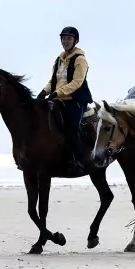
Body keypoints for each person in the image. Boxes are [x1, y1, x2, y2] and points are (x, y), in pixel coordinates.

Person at [37, 26, 93, 174]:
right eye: (63, 38)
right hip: (59, 99)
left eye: (69, 38)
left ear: (75, 40)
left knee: (72, 127)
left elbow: (77, 82)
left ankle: (76, 161)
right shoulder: (59, 59)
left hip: (75, 100)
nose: (65, 41)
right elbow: (54, 80)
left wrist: (57, 93)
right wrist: (45, 91)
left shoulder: (80, 59)